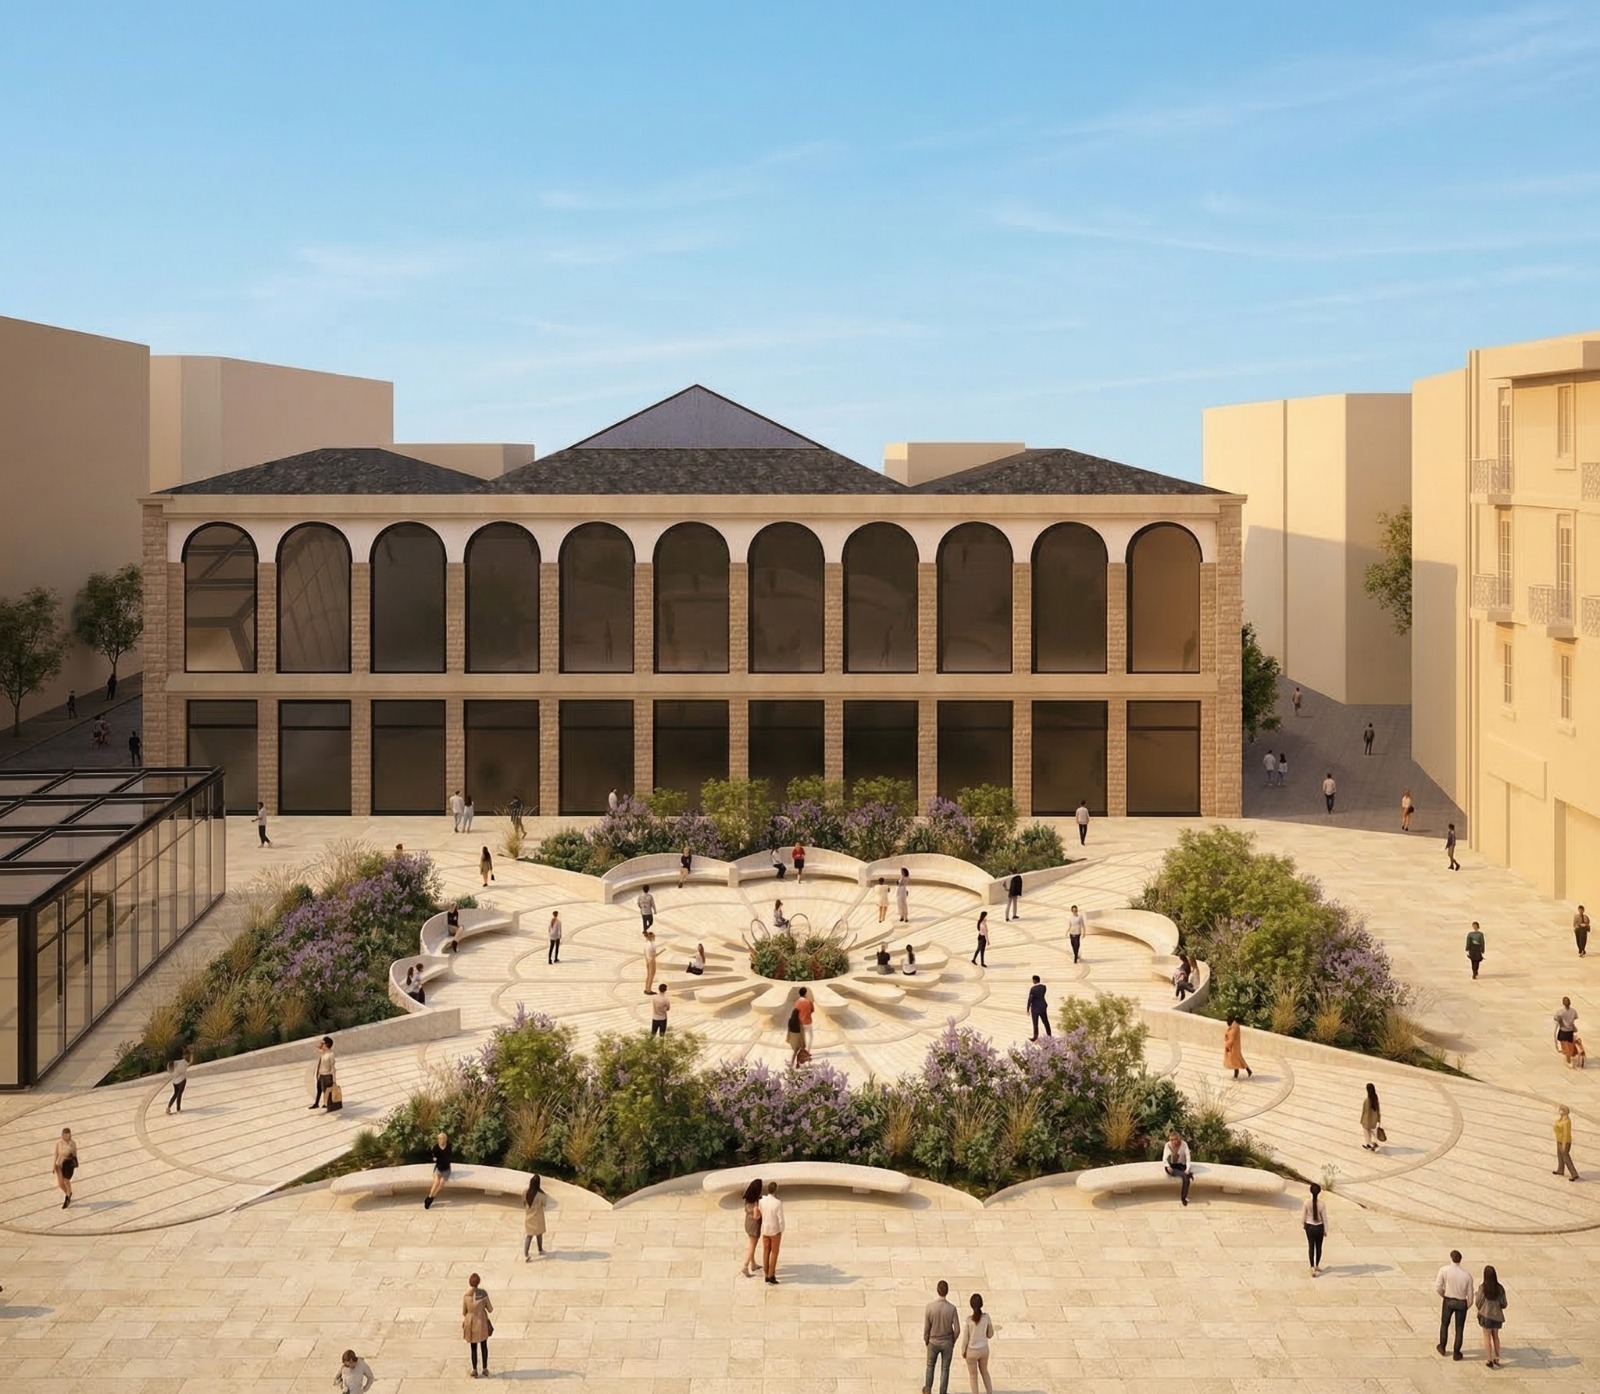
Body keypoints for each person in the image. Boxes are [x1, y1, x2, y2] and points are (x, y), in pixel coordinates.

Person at [922, 1279, 961, 1394]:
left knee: (930, 1366)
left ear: (937, 1290)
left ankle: (928, 1389)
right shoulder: (952, 1308)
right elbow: (957, 1329)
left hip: (933, 1341)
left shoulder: (930, 1307)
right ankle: (942, 1392)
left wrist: (926, 1339)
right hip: (947, 1342)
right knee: (945, 1368)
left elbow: (926, 1328)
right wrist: (953, 1341)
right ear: (947, 1291)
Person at [1436, 1250, 1473, 1360]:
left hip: (1448, 1300)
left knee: (1444, 1324)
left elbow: (1438, 1287)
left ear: (1451, 1258)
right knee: (1459, 1328)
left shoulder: (1444, 1270)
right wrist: (1467, 1305)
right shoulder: (1467, 1275)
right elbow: (1470, 1295)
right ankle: (1456, 1353)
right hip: (1462, 1302)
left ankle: (1442, 1347)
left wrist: (1444, 1296)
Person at [959, 1293, 994, 1394]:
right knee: (985, 1372)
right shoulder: (986, 1317)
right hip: (983, 1349)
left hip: (971, 1351)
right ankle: (990, 1392)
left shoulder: (969, 1321)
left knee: (973, 1376)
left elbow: (965, 1339)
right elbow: (990, 1334)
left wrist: (963, 1351)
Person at [462, 1273, 494, 1378]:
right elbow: (490, 1309)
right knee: (484, 1346)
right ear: (478, 1282)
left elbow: (464, 1312)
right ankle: (485, 1368)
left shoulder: (466, 1296)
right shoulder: (483, 1294)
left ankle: (474, 1369)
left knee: (473, 1347)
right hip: (481, 1321)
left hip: (470, 1322)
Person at [1475, 1265, 1506, 1368]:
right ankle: (1497, 1357)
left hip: (1486, 1315)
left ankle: (1489, 1359)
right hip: (1497, 1316)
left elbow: (1478, 1301)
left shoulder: (1483, 1288)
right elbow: (1504, 1303)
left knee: (1487, 1336)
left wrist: (1480, 1308)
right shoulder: (1500, 1288)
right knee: (1495, 1336)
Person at [758, 1180, 785, 1283]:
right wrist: (781, 1230)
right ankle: (771, 1275)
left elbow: (760, 1211)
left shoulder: (762, 1201)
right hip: (775, 1231)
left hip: (765, 1230)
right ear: (776, 1190)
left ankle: (766, 1273)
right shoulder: (778, 1203)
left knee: (766, 1251)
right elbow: (781, 1220)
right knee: (774, 1252)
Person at [739, 1177, 764, 1277]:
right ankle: (745, 1266)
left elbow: (746, 1210)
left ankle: (753, 1264)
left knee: (751, 1245)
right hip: (754, 1226)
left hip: (747, 1223)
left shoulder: (747, 1199)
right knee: (751, 1247)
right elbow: (756, 1216)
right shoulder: (756, 1202)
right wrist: (761, 1214)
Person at [1302, 1181, 1328, 1276]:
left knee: (1311, 1246)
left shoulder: (1306, 1203)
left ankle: (1312, 1266)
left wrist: (1303, 1225)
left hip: (1309, 1227)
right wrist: (1325, 1230)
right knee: (1319, 1247)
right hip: (1319, 1227)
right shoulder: (1322, 1204)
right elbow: (1324, 1218)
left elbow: (1303, 1216)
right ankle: (1317, 1265)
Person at [1162, 1132, 1193, 1206]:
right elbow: (1164, 1158)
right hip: (1170, 1166)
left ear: (1178, 1139)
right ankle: (1187, 1175)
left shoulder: (1184, 1144)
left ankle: (1183, 1198)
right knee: (1185, 1176)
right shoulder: (1168, 1145)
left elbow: (1188, 1158)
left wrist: (1187, 1169)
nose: (1172, 1141)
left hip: (1180, 1165)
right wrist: (1168, 1166)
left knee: (1186, 1178)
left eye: (1174, 1140)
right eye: (1171, 1140)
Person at [522, 1174, 548, 1260]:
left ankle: (526, 1254)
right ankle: (540, 1249)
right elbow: (544, 1204)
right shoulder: (540, 1195)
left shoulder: (525, 1192)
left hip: (529, 1217)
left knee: (529, 1235)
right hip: (537, 1218)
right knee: (539, 1234)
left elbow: (523, 1202)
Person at [425, 1131, 452, 1209]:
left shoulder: (449, 1146)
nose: (442, 1140)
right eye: (440, 1139)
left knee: (441, 1183)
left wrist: (441, 1159)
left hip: (446, 1168)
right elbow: (433, 1157)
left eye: (444, 1138)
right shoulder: (435, 1147)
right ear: (438, 1139)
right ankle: (429, 1196)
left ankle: (432, 1198)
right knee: (436, 1181)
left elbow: (449, 1157)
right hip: (439, 1168)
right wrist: (435, 1159)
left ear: (446, 1139)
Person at [53, 1126, 78, 1208]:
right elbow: (56, 1154)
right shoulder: (59, 1143)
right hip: (59, 1165)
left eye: (69, 1135)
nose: (67, 1137)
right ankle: (69, 1193)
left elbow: (74, 1155)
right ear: (62, 1135)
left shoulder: (72, 1143)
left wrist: (73, 1163)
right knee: (60, 1183)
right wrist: (53, 1166)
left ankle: (67, 1197)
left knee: (66, 1181)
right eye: (66, 1135)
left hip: (67, 1165)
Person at [1554, 1104, 1580, 1180]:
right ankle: (1560, 1170)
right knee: (1560, 1156)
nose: (1560, 1111)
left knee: (1566, 1158)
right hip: (1559, 1140)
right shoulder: (1561, 1119)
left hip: (1564, 1141)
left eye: (1561, 1110)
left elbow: (1566, 1133)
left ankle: (1574, 1173)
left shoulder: (1566, 1122)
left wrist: (1564, 1144)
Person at [310, 1036, 337, 1110]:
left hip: (327, 1076)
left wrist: (334, 1080)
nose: (322, 1044)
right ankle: (316, 1103)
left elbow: (333, 1068)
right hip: (321, 1075)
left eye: (324, 1043)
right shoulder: (323, 1052)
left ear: (327, 1044)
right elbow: (317, 1047)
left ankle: (328, 1105)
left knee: (326, 1092)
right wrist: (321, 1044)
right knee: (319, 1089)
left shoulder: (331, 1055)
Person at [1555, 997, 1580, 1065]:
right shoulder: (1573, 1011)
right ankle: (1568, 1058)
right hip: (1570, 1031)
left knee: (1566, 1047)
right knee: (1569, 1047)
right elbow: (1574, 1018)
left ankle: (1568, 1061)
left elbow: (1556, 1018)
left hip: (1563, 1031)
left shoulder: (1560, 1012)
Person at [1026, 976, 1051, 1040]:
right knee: (1046, 1022)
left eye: (1033, 980)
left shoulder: (1033, 989)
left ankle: (1035, 1037)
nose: (1032, 981)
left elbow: (1030, 999)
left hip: (1035, 1008)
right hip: (1043, 1006)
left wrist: (1028, 1009)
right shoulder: (1044, 987)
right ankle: (1049, 1035)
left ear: (1035, 980)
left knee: (1035, 1023)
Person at [166, 1048, 190, 1114]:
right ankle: (178, 1109)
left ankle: (168, 1107)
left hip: (174, 1081)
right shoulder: (182, 1062)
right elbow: (183, 1069)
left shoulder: (170, 1063)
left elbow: (170, 1071)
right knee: (179, 1094)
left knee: (175, 1094)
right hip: (181, 1080)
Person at [1360, 1082, 1383, 1151]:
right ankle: (1373, 1142)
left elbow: (1365, 1111)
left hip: (1367, 1119)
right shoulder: (1375, 1098)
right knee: (1371, 1130)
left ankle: (1369, 1144)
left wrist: (1362, 1120)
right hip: (1374, 1119)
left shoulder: (1367, 1100)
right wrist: (1378, 1118)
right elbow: (1378, 1109)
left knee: (1366, 1131)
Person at [796, 986, 815, 1052]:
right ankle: (808, 1051)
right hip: (808, 1022)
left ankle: (802, 1050)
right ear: (805, 993)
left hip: (800, 1022)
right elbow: (812, 1010)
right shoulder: (809, 1002)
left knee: (802, 1037)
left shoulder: (797, 1002)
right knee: (810, 1036)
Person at [643, 929, 659, 994]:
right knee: (651, 975)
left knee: (648, 975)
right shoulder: (650, 945)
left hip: (648, 959)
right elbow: (653, 954)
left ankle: (647, 988)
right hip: (651, 960)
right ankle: (648, 990)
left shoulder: (647, 944)